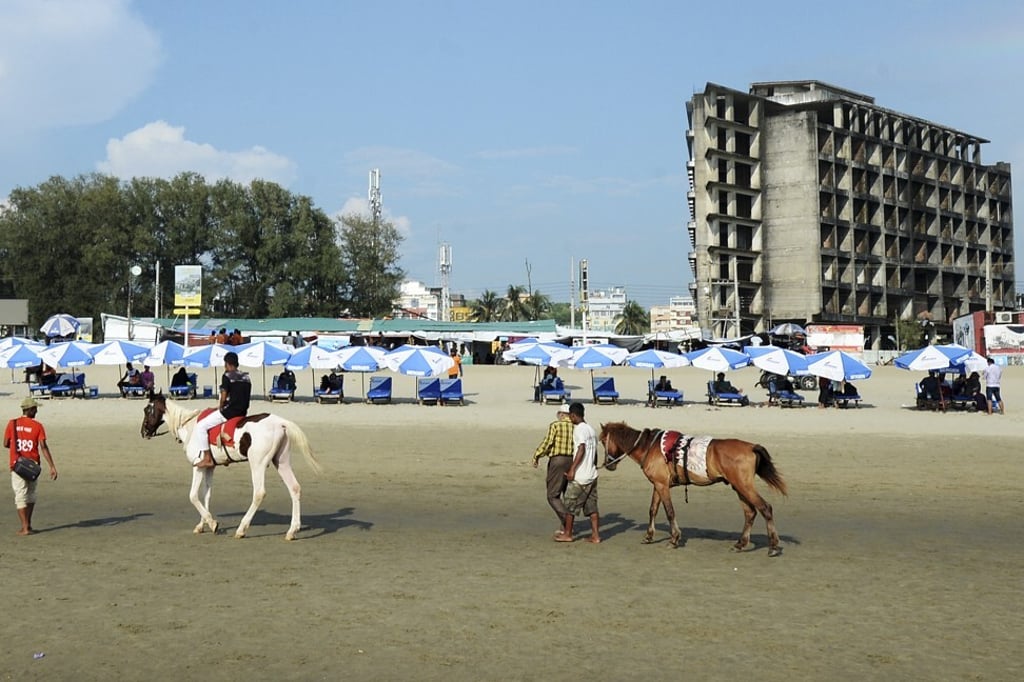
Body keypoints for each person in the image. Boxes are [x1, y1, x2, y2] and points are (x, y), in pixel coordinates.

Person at [4, 397, 58, 535]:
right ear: (30, 410)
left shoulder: (12, 424)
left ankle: (25, 527)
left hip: (17, 465)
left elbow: (5, 443)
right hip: (33, 465)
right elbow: (44, 447)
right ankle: (28, 524)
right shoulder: (38, 426)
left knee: (21, 495)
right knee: (31, 494)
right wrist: (52, 466)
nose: (37, 411)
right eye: (35, 409)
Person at [190, 351, 251, 469]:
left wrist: (220, 406)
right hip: (243, 412)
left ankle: (207, 458)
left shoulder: (227, 376)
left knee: (201, 426)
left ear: (227, 364)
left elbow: (223, 397)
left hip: (229, 412)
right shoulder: (246, 377)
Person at [556, 402, 600, 544]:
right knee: (592, 507)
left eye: (570, 416)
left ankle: (568, 534)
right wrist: (593, 466)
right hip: (592, 475)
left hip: (580, 476)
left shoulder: (579, 430)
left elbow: (581, 449)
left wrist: (572, 469)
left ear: (574, 415)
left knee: (569, 505)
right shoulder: (591, 430)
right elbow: (595, 453)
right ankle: (595, 535)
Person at [532, 406, 575, 533]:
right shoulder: (576, 426)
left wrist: (537, 455)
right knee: (565, 494)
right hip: (572, 461)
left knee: (552, 495)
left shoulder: (556, 425)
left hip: (558, 461)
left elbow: (548, 442)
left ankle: (568, 522)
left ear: (561, 414)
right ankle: (565, 525)